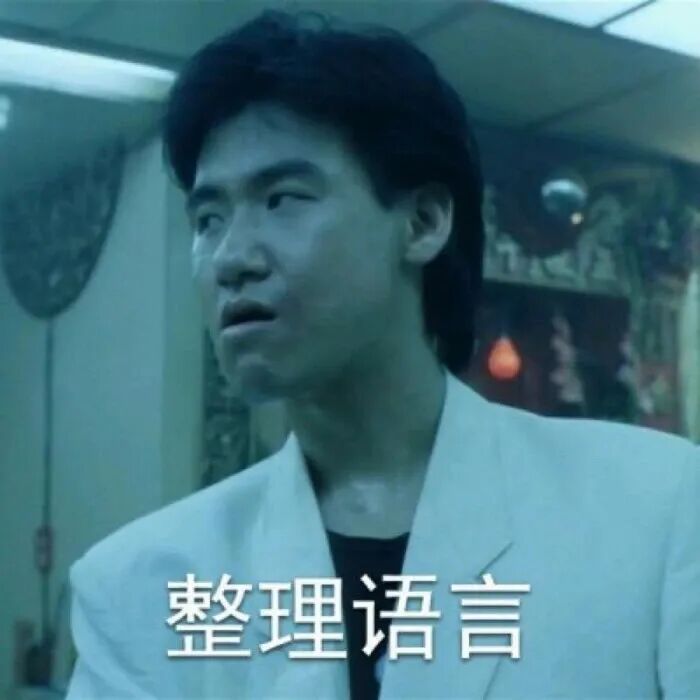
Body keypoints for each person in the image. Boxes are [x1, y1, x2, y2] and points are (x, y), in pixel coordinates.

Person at [66, 10, 699, 699]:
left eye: (282, 199)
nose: (230, 258)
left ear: (423, 222)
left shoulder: (656, 507)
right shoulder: (141, 583)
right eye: (208, 219)